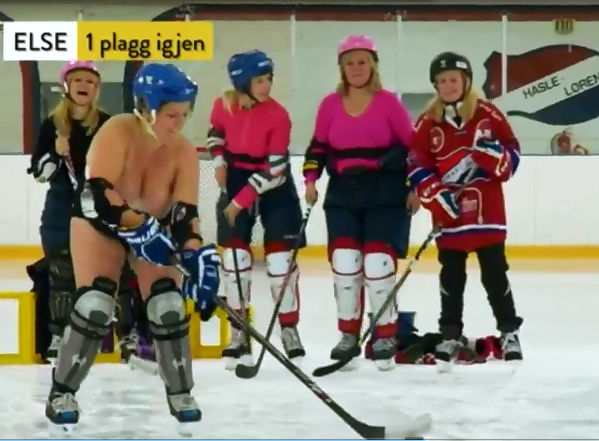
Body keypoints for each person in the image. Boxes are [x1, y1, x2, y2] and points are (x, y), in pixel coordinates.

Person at [44, 62, 220, 427]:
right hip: (101, 226)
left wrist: (194, 253)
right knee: (94, 304)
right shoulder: (118, 130)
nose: (179, 123)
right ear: (147, 107)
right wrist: (140, 227)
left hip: (152, 227)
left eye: (184, 114)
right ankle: (62, 390)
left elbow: (185, 214)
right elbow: (97, 196)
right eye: (171, 115)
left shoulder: (184, 151)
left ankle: (180, 390)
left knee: (168, 304)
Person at [303, 35, 417, 371]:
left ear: (373, 65)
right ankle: (348, 334)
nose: (356, 68)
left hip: (385, 191)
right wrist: (310, 180)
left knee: (378, 263)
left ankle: (385, 335)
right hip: (343, 191)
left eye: (362, 61)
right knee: (344, 261)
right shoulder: (329, 105)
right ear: (341, 68)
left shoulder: (389, 104)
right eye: (350, 63)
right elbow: (318, 147)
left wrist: (416, 186)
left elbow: (414, 148)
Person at [408, 51, 524, 372]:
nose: (448, 85)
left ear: (467, 81)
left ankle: (509, 332)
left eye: (454, 80)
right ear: (435, 85)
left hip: (488, 213)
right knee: (451, 278)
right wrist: (434, 194)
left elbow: (513, 152)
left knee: (495, 275)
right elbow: (416, 163)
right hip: (451, 217)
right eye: (442, 81)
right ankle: (449, 335)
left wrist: (496, 157)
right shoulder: (427, 122)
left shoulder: (487, 113)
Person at [208, 49, 306, 368]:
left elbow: (275, 171)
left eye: (268, 79)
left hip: (274, 184)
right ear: (242, 83)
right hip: (237, 175)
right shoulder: (223, 105)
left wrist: (239, 203)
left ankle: (288, 327)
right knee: (234, 260)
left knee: (280, 262)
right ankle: (239, 330)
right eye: (259, 80)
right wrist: (219, 160)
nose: (266, 86)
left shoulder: (278, 115)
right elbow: (215, 133)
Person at [27, 61, 118, 362]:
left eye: (90, 81)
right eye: (77, 79)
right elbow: (40, 173)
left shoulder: (106, 124)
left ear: (97, 88)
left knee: (97, 275)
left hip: (96, 209)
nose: (83, 85)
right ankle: (59, 335)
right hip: (61, 211)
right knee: (62, 274)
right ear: (67, 85)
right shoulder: (52, 124)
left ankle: (101, 333)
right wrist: (55, 154)